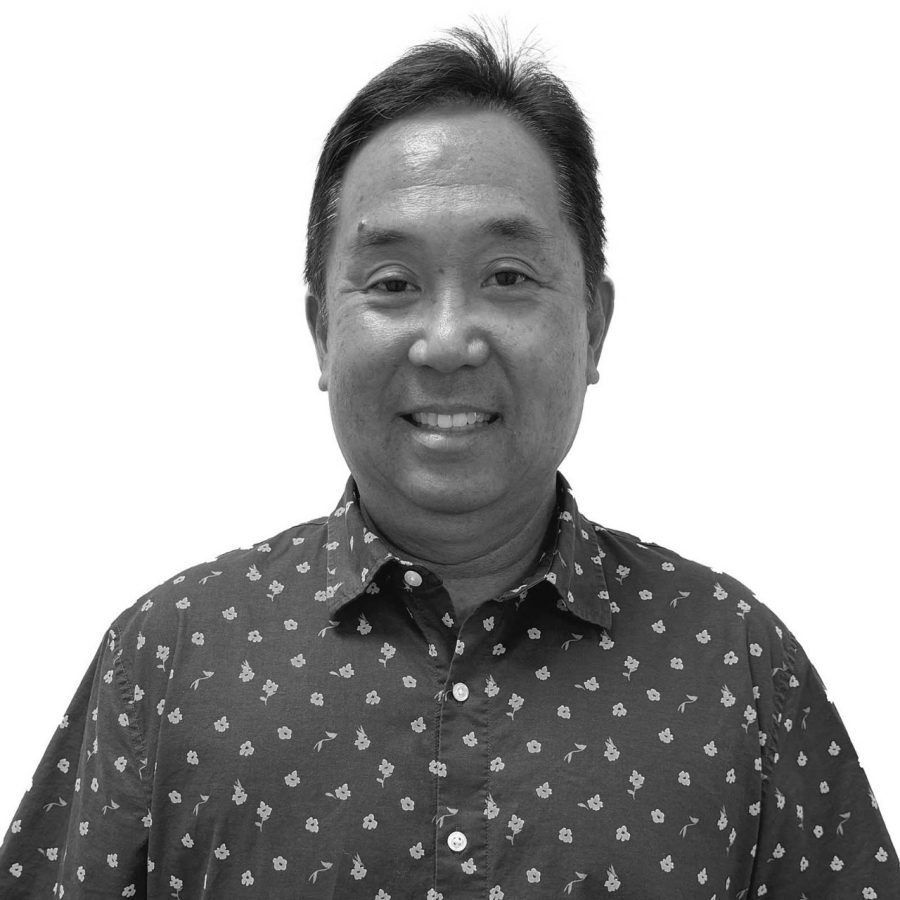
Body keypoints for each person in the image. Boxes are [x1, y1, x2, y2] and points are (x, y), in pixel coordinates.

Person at [2, 25, 898, 900]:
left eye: (507, 276)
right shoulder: (170, 658)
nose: (446, 341)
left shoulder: (737, 664)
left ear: (595, 326)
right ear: (322, 332)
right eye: (392, 284)